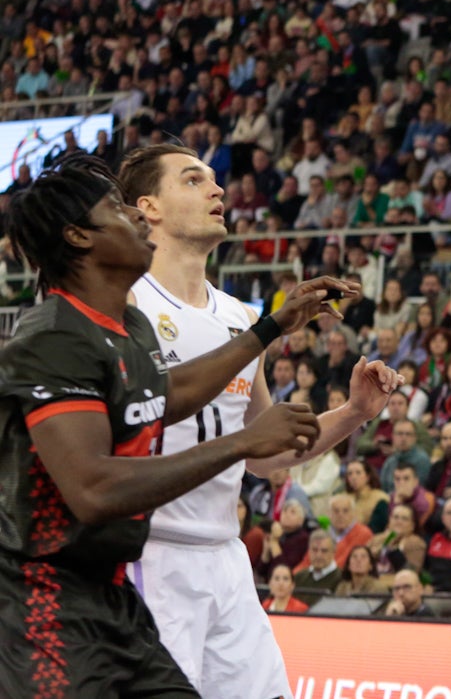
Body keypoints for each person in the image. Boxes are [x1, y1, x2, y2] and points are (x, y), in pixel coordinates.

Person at [0, 153, 331, 698]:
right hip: (44, 597)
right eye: (115, 210)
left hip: (114, 592)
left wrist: (271, 326)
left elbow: (168, 395)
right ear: (79, 237)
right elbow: (93, 489)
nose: (133, 216)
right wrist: (242, 442)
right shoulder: (53, 335)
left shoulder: (124, 324)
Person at [118, 143, 400, 699]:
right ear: (148, 207)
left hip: (225, 554)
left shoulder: (243, 318)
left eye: (215, 180)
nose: (218, 190)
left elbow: (263, 452)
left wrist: (353, 413)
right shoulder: (126, 302)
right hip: (150, 552)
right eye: (194, 181)